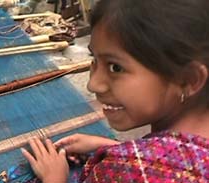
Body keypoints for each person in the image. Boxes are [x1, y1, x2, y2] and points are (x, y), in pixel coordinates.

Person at [21, 0, 209, 182]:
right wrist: (114, 147)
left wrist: (54, 178)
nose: (93, 85)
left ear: (188, 79)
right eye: (94, 59)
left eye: (115, 68)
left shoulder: (128, 170)